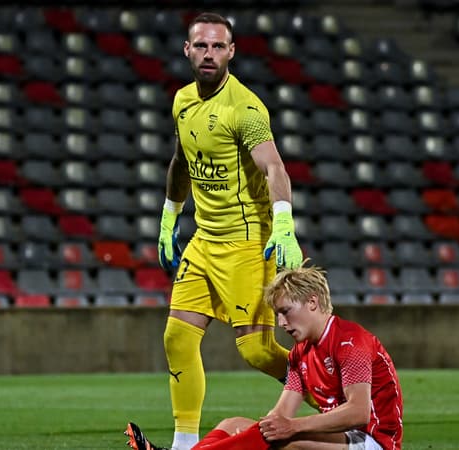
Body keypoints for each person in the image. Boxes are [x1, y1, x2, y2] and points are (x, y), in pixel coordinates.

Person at [155, 12, 303, 450]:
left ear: (231, 52)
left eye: (218, 46)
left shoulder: (246, 108)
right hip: (204, 240)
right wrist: (169, 217)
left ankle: (336, 399)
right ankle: (185, 445)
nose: (209, 54)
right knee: (177, 336)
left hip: (246, 242)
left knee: (257, 351)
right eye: (201, 45)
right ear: (187, 50)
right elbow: (182, 162)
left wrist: (284, 223)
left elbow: (273, 165)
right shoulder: (182, 101)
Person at [126, 264, 404, 450]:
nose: (281, 323)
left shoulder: (349, 341)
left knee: (288, 441)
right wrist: (266, 430)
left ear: (312, 303)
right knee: (232, 425)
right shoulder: (300, 354)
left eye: (286, 311)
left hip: (373, 442)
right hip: (343, 439)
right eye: (277, 315)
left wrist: (290, 427)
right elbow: (280, 415)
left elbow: (358, 412)